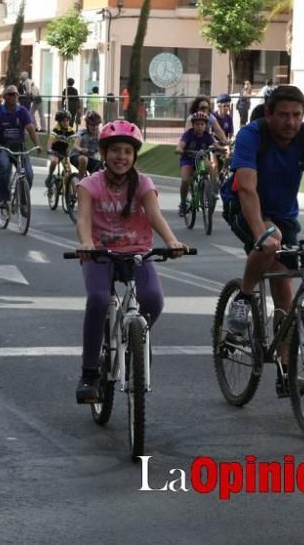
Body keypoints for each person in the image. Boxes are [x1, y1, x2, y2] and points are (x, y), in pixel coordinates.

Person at [223, 85, 304, 395]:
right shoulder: (251, 136)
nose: (290, 122)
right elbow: (246, 189)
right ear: (269, 114)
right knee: (271, 242)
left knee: (285, 288)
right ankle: (243, 299)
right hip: (243, 205)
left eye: (297, 115)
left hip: (284, 212)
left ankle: (285, 370)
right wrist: (260, 233)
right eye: (283, 115)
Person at [73, 119, 186, 403]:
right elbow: (84, 218)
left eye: (127, 151)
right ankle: (89, 373)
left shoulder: (144, 184)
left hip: (138, 253)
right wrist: (86, 243)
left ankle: (135, 339)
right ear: (103, 152)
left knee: (153, 300)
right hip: (99, 253)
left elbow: (154, 215)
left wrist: (171, 241)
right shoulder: (90, 185)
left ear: (134, 155)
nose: (121, 157)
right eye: (115, 151)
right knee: (98, 299)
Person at [0, 84, 43, 208]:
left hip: (20, 147)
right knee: (5, 167)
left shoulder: (22, 111)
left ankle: (23, 202)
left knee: (28, 174)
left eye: (16, 95)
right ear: (5, 97)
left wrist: (38, 145)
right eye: (11, 95)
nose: (14, 97)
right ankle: (4, 199)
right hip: (4, 147)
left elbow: (30, 128)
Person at [176, 111, 218, 216]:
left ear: (206, 126)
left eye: (202, 124)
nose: (200, 127)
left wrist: (221, 148)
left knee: (211, 168)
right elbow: (181, 145)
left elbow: (215, 145)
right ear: (193, 125)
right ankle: (183, 203)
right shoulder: (188, 134)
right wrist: (180, 149)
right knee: (185, 180)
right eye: (197, 124)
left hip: (201, 159)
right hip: (188, 159)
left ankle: (212, 192)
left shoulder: (207, 136)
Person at [45, 109, 76, 188]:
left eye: (67, 121)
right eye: (63, 121)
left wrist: (72, 150)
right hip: (55, 152)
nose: (66, 123)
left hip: (64, 153)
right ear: (59, 121)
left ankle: (71, 193)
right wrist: (49, 149)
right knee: (54, 161)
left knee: (69, 172)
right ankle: (50, 175)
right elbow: (50, 141)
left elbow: (74, 143)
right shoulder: (56, 130)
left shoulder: (71, 131)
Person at [70, 110, 103, 179]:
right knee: (84, 159)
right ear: (87, 125)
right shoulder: (82, 133)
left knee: (102, 168)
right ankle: (81, 182)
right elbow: (75, 145)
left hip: (91, 158)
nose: (95, 127)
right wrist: (81, 149)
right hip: (77, 156)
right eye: (92, 125)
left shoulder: (100, 135)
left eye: (97, 125)